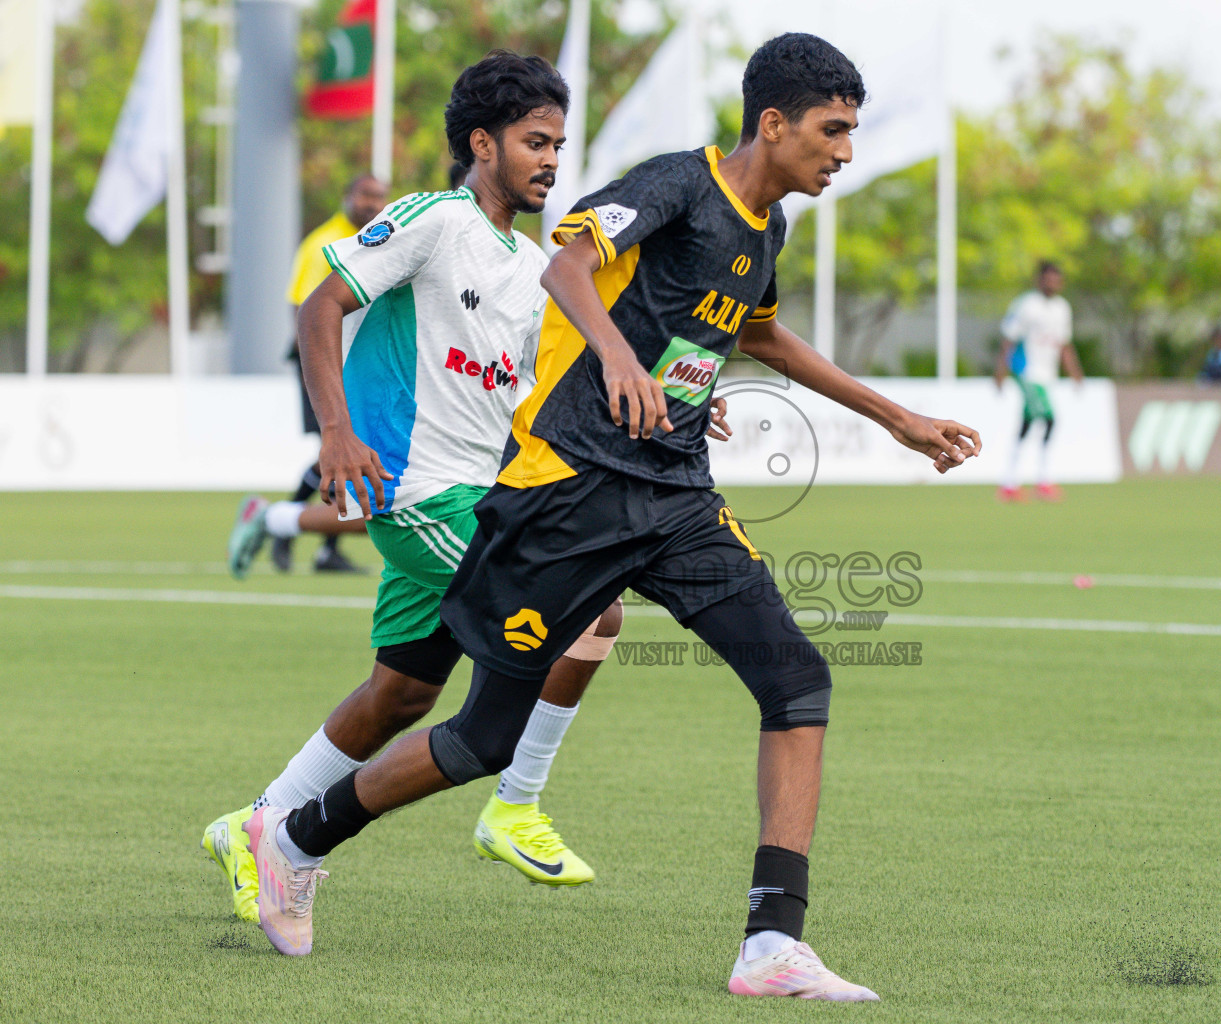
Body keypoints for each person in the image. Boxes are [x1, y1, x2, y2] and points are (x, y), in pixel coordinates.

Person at [242, 34, 981, 1001]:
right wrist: (620, 364)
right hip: (563, 493)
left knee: (796, 679)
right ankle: (296, 835)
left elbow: (741, 330)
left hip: (674, 495)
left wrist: (896, 417)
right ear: (774, 123)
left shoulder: (767, 230)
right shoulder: (677, 183)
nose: (844, 152)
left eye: (850, 132)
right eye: (832, 130)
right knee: (476, 739)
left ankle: (772, 944)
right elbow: (569, 270)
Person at [203, 51, 678, 924]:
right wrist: (337, 435)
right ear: (481, 142)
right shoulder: (433, 220)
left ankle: (257, 824)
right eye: (536, 141)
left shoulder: (531, 266)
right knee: (592, 606)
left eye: (559, 145)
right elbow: (318, 306)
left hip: (472, 497)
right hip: (417, 493)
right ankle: (517, 803)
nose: (550, 160)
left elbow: (551, 387)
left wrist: (662, 399)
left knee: (403, 693)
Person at [227, 174, 390, 578]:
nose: (373, 203)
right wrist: (319, 364)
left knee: (349, 455)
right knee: (337, 451)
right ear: (347, 197)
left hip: (356, 361)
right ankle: (282, 523)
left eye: (380, 197)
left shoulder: (377, 241)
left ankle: (315, 544)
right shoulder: (324, 243)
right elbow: (306, 308)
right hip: (322, 360)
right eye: (366, 195)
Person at [993, 260, 1082, 502]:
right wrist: (1000, 373)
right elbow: (1008, 340)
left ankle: (1009, 484)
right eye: (1048, 278)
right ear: (1039, 280)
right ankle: (1043, 481)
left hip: (1047, 376)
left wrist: (1075, 373)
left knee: (1027, 424)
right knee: (1050, 418)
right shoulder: (1026, 305)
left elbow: (1064, 345)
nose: (1053, 283)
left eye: (1057, 279)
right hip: (1026, 372)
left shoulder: (1062, 308)